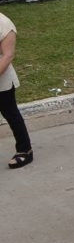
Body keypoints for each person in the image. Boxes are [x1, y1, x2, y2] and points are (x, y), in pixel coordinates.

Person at [0, 12, 31, 169]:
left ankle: (25, 150)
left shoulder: (4, 24)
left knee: (11, 114)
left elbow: (8, 56)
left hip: (2, 81)